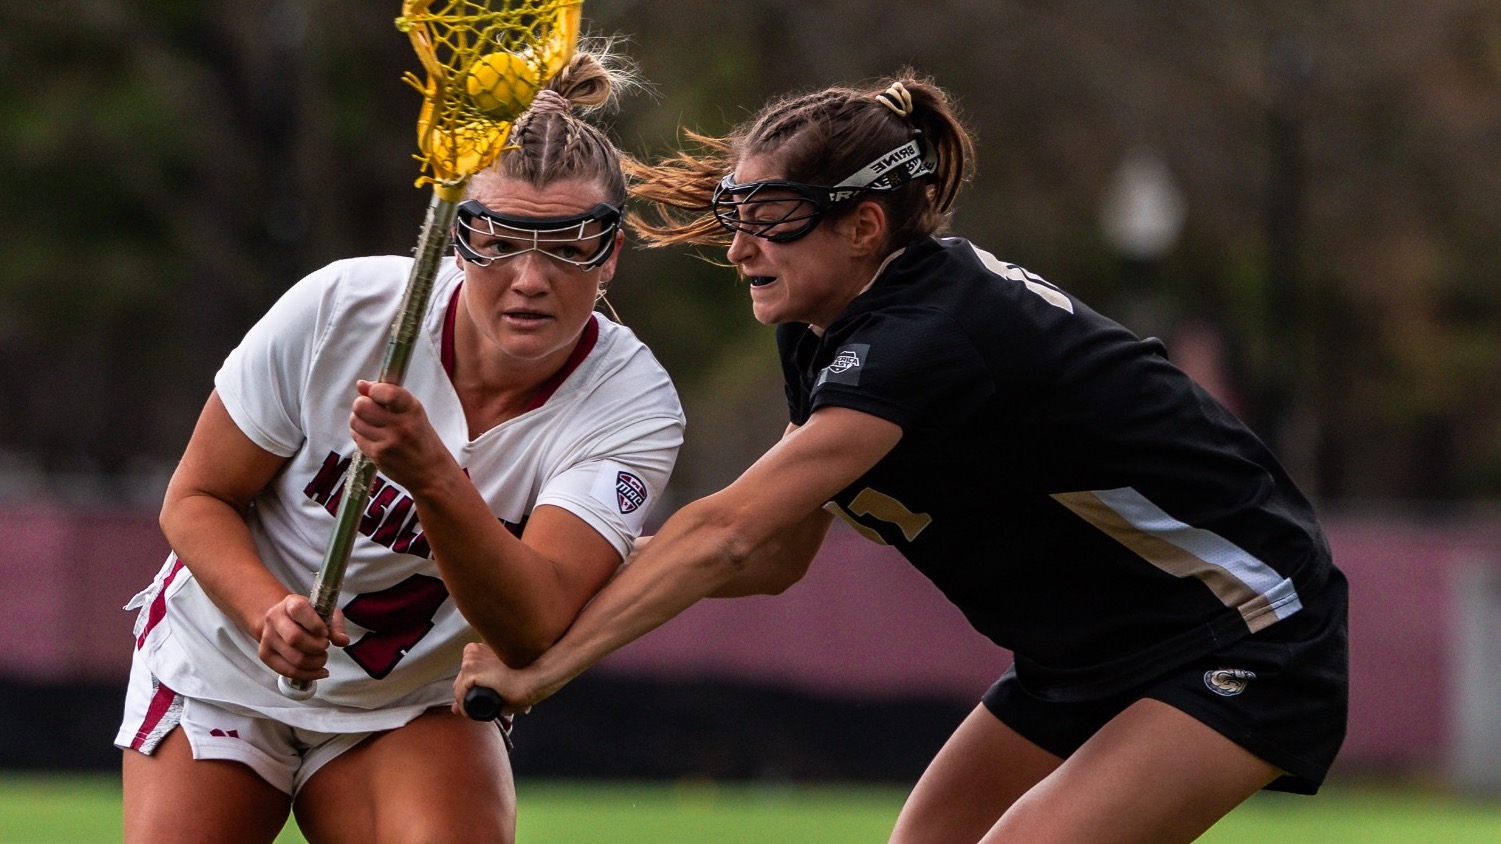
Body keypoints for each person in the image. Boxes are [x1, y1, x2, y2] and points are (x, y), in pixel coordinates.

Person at [451, 69, 1349, 844]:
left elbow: (729, 531)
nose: (736, 249)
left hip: (1245, 630)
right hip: (1087, 656)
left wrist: (550, 662)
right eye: (735, 216)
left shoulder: (926, 336)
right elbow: (775, 555)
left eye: (769, 220)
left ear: (865, 227)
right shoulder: (825, 328)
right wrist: (557, 592)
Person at [115, 47, 684, 844]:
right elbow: (197, 498)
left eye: (567, 244)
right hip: (223, 665)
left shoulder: (630, 406)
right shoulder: (340, 310)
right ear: (457, 240)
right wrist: (265, 612)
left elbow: (531, 626)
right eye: (500, 239)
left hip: (410, 700)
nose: (530, 276)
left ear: (612, 251)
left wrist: (431, 478)